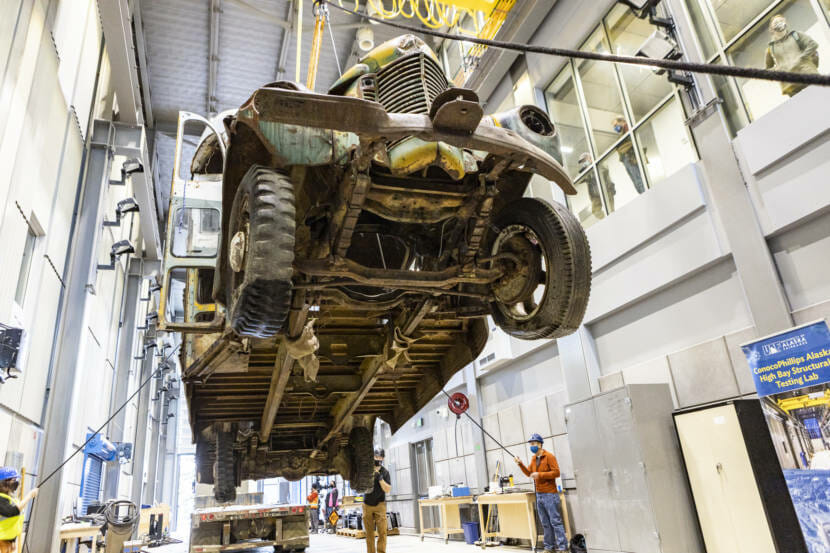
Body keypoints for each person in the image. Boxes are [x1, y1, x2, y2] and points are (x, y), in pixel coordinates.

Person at [514, 434, 567, 553]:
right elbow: (529, 473)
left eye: (533, 444)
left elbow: (556, 473)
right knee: (545, 523)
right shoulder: (534, 459)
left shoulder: (549, 456)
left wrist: (540, 475)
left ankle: (563, 547)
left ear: (539, 444)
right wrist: (520, 464)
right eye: (530, 444)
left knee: (555, 522)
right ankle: (549, 547)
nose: (531, 446)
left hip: (550, 494)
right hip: (539, 495)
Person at [765, 14, 819, 97]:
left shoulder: (796, 35)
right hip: (790, 85)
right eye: (776, 22)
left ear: (785, 23)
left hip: (808, 75)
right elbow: (768, 69)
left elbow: (813, 44)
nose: (779, 23)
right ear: (771, 28)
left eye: (781, 21)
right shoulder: (770, 47)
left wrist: (802, 57)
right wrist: (777, 70)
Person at [0, 467, 38, 553]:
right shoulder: (0, 499)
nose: (16, 482)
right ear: (5, 482)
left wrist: (12, 540)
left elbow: (13, 521)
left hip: (8, 538)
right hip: (2, 538)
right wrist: (29, 496)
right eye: (14, 479)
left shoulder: (12, 499)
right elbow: (12, 511)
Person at [363, 447, 391, 553]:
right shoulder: (366, 470)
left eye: (380, 457)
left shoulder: (385, 472)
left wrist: (380, 479)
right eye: (376, 456)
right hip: (367, 505)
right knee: (369, 533)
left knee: (382, 532)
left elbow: (387, 489)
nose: (378, 459)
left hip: (380, 505)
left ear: (383, 458)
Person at [611, 116, 645, 195]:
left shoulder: (628, 129)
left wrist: (621, 148)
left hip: (630, 157)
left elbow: (630, 142)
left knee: (638, 180)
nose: (615, 128)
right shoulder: (623, 133)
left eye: (616, 125)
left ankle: (645, 194)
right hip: (627, 158)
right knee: (636, 181)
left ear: (622, 121)